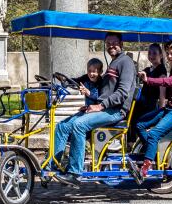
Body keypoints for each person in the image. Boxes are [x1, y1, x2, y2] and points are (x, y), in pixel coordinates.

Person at [51, 33, 137, 184]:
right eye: (108, 43)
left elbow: (122, 93)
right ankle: (53, 167)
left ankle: (75, 173)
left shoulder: (126, 62)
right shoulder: (114, 63)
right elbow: (96, 85)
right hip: (103, 108)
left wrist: (100, 105)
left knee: (79, 125)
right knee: (62, 126)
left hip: (116, 111)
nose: (111, 46)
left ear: (121, 44)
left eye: (114, 43)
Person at [129, 39, 172, 183]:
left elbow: (169, 82)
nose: (170, 56)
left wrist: (149, 80)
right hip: (171, 108)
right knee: (139, 124)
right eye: (168, 54)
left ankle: (144, 171)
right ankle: (152, 152)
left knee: (153, 134)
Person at [132, 43, 166, 122]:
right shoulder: (147, 69)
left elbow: (162, 92)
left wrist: (161, 111)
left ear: (160, 55)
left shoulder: (161, 70)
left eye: (154, 53)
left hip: (152, 104)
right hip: (144, 102)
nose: (151, 56)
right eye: (149, 53)